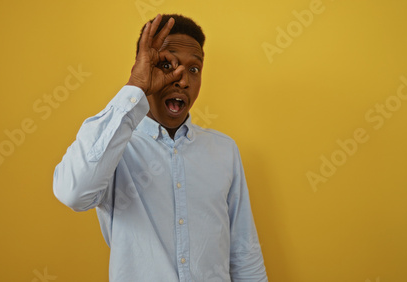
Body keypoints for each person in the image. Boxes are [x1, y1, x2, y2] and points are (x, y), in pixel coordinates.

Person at [53, 14, 268, 282]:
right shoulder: (115, 147)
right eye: (167, 65)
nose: (182, 80)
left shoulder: (224, 150)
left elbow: (244, 252)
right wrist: (136, 87)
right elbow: (73, 193)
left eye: (194, 69)